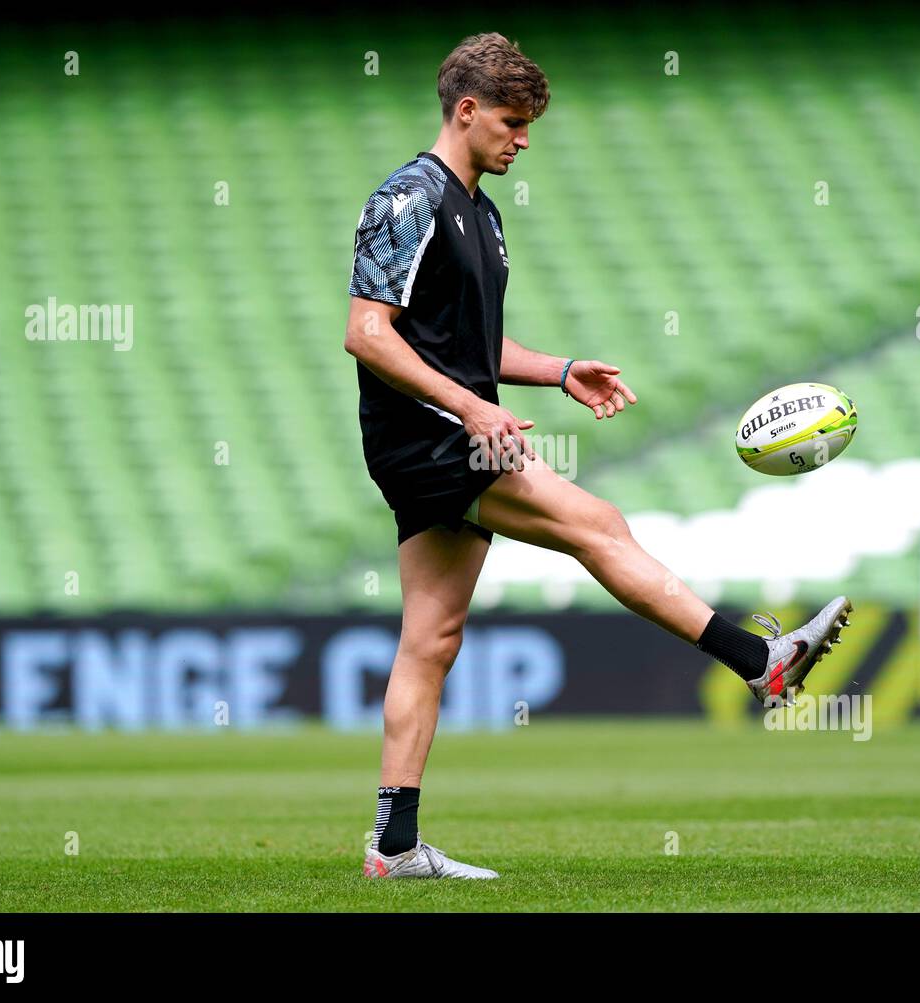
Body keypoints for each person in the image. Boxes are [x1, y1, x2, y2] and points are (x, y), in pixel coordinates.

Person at [346, 33, 851, 880]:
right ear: (465, 111)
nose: (524, 139)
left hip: (444, 429)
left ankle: (394, 846)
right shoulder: (410, 197)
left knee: (431, 638)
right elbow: (367, 333)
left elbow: (463, 341)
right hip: (431, 436)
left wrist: (558, 371)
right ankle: (760, 662)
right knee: (596, 524)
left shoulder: (480, 209)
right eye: (511, 122)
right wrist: (472, 408)